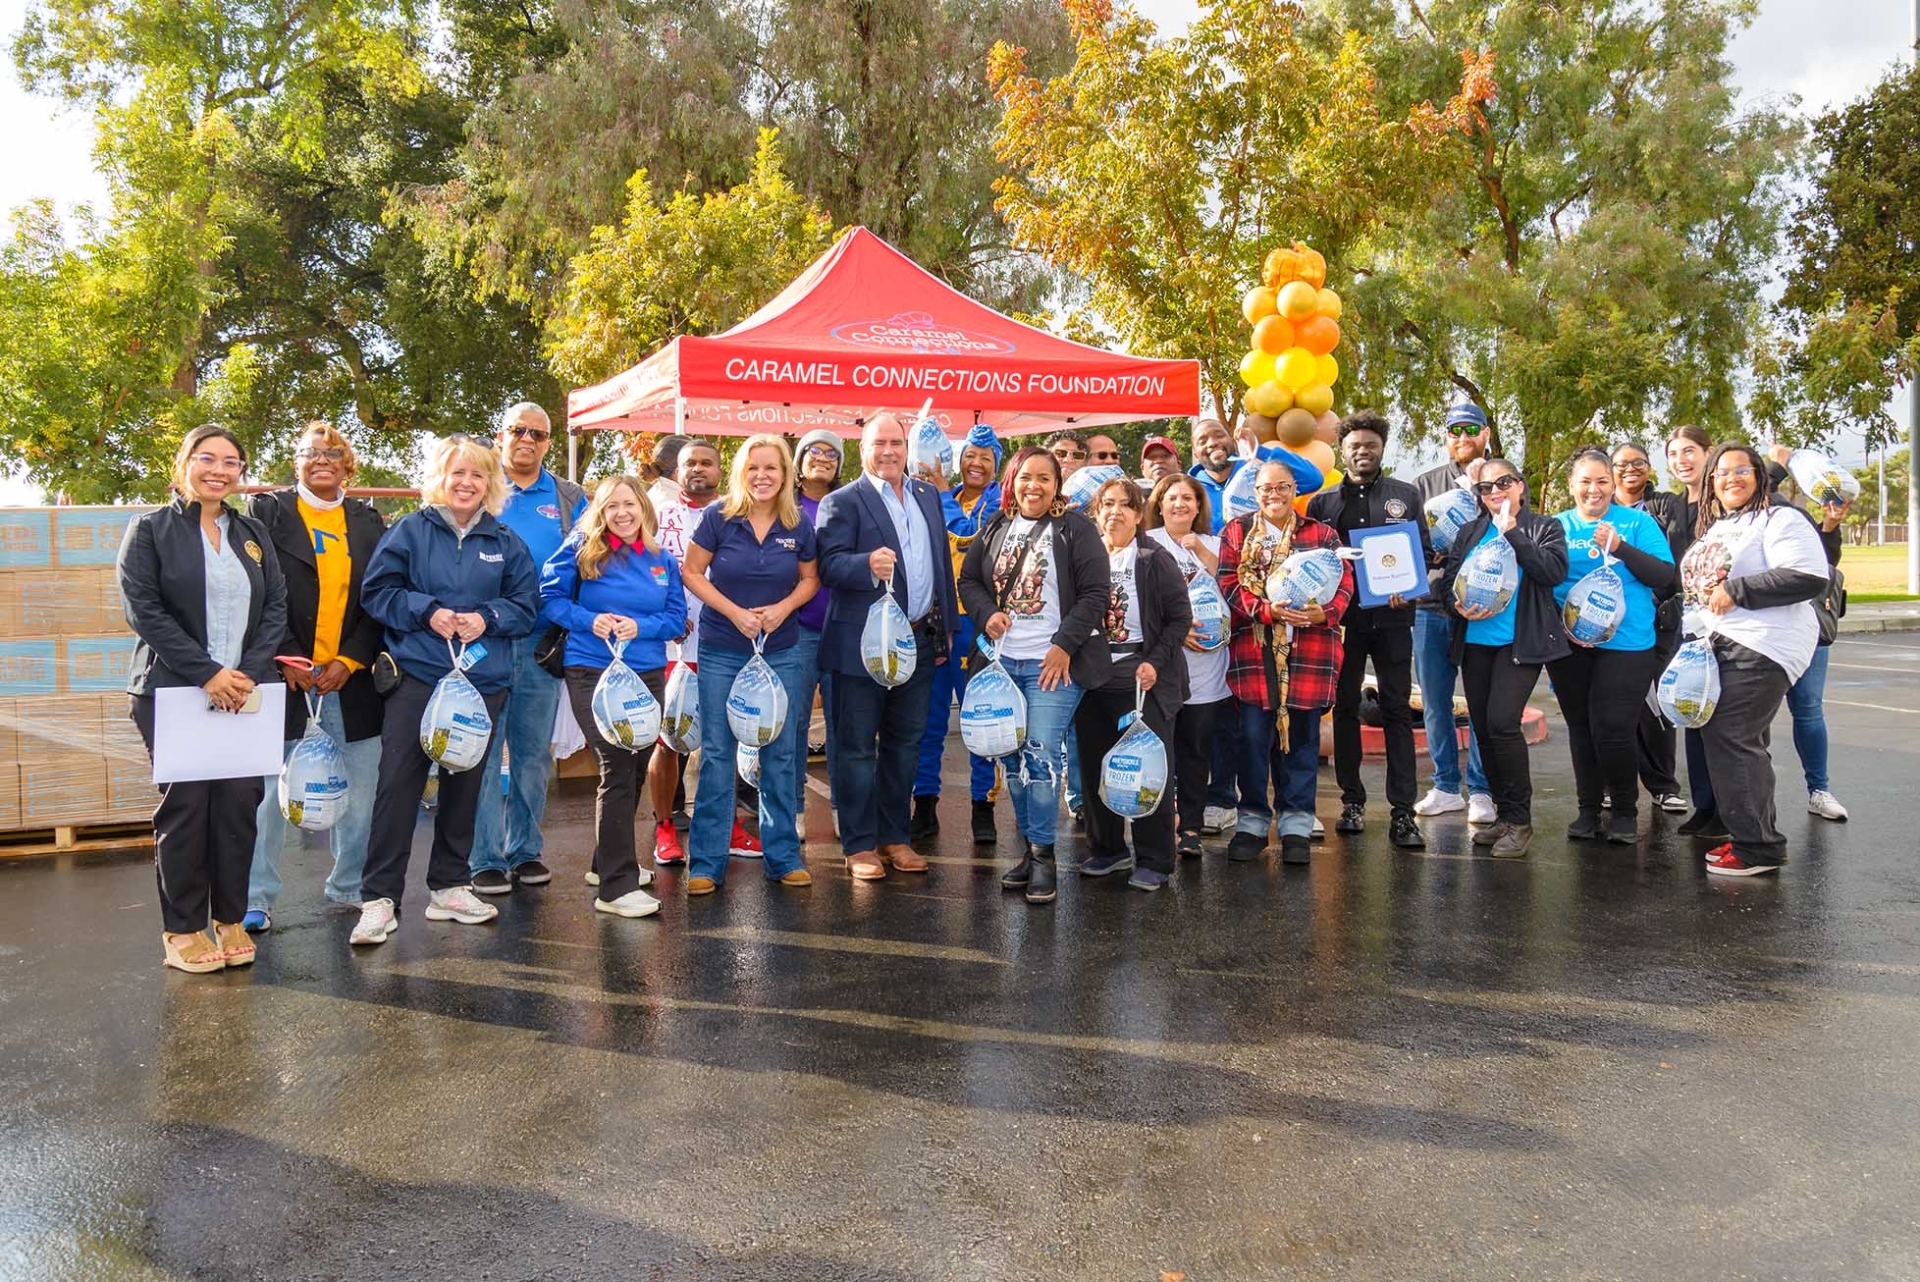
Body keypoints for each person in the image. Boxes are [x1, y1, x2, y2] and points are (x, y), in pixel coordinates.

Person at [351, 435, 540, 946]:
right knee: (398, 787)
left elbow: (526, 605)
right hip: (418, 678)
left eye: (477, 474)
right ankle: (379, 898)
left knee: (465, 787)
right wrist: (426, 611)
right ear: (440, 478)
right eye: (457, 473)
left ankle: (450, 886)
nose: (466, 483)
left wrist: (487, 617)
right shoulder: (410, 531)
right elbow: (378, 592)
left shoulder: (504, 541)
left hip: (482, 684)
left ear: (490, 484)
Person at [119, 425, 288, 974]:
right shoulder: (148, 531)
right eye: (207, 458)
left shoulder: (251, 532)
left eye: (231, 461)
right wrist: (208, 674)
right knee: (187, 810)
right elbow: (144, 612)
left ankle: (231, 918)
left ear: (241, 472)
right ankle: (184, 928)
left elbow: (275, 608)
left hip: (244, 694)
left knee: (240, 806)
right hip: (173, 692)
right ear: (184, 462)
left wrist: (246, 675)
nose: (219, 469)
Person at [242, 422, 387, 933]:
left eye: (332, 453)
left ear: (348, 464)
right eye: (309, 452)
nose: (321, 460)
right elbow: (254, 591)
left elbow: (379, 600)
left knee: (361, 792)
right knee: (266, 797)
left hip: (350, 679)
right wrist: (285, 656)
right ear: (295, 462)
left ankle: (349, 887)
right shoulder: (267, 513)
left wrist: (349, 660)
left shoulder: (369, 522)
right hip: (284, 677)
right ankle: (256, 896)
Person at [957, 446, 1111, 905]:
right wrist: (986, 615)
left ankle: (1044, 857)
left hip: (1052, 666)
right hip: (1002, 665)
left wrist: (1064, 645)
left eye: (1045, 478)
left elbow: (1095, 593)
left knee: (1041, 758)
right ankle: (1029, 850)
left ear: (1057, 485)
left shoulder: (1075, 530)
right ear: (1013, 480)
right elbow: (969, 582)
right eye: (1027, 477)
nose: (1034, 486)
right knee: (1012, 761)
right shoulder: (996, 527)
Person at [816, 414, 961, 880]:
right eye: (879, 443)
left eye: (896, 443)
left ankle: (895, 838)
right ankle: (859, 845)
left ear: (907, 447)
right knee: (856, 746)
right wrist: (865, 564)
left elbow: (941, 564)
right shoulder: (842, 501)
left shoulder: (927, 496)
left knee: (905, 744)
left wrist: (946, 631)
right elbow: (829, 567)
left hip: (918, 640)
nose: (889, 452)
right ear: (863, 449)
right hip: (861, 645)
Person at [539, 475, 687, 917]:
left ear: (644, 507)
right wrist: (592, 620)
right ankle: (616, 888)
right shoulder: (581, 549)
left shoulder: (662, 560)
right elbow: (550, 600)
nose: (622, 513)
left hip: (645, 672)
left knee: (639, 762)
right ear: (599, 512)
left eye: (630, 504)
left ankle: (605, 862)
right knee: (617, 766)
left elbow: (676, 617)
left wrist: (642, 627)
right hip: (592, 669)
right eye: (612, 507)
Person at [1678, 444, 1829, 876]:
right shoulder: (1721, 527)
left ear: (1760, 475)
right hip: (1722, 642)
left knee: (1732, 736)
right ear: (1711, 483)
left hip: (1765, 644)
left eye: (1742, 469)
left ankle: (1757, 849)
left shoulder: (1779, 518)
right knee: (1740, 740)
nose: (1731, 478)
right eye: (1721, 473)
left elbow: (1808, 576)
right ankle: (1753, 836)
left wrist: (1737, 591)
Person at [680, 434, 819, 894]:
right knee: (717, 753)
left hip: (781, 649)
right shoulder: (717, 518)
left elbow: (810, 580)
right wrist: (732, 612)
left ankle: (783, 856)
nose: (762, 476)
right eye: (753, 468)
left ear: (785, 475)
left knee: (778, 751)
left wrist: (782, 609)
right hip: (722, 647)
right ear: (742, 472)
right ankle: (706, 863)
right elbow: (691, 572)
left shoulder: (797, 524)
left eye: (771, 468)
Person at [470, 401, 587, 895]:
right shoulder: (477, 485)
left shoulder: (568, 496)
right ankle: (484, 859)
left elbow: (592, 557)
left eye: (537, 434)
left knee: (533, 755)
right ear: (500, 435)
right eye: (517, 430)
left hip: (542, 645)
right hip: (483, 642)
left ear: (548, 442)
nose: (527, 440)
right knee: (482, 750)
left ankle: (525, 851)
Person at [1217, 461, 1352, 864]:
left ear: (1295, 490)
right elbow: (1228, 583)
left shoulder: (1322, 534)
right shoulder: (1237, 532)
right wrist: (1265, 610)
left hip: (1310, 651)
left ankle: (1296, 823)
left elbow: (1344, 583)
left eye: (1282, 487)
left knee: (1304, 742)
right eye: (1265, 489)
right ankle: (1253, 822)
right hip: (1255, 653)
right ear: (1255, 493)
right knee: (1253, 740)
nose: (1274, 495)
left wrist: (1323, 614)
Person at [1307, 410, 1428, 850]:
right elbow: (1317, 563)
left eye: (1370, 445)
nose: (1363, 451)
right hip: (1343, 624)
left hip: (1393, 621)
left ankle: (1402, 813)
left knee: (1396, 711)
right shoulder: (1324, 503)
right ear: (1343, 450)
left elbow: (1424, 554)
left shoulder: (1405, 496)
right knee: (1344, 711)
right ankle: (1351, 802)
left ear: (1382, 448)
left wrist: (1409, 587)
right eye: (1355, 445)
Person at [1440, 458, 1569, 859]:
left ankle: (1519, 820)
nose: (1495, 491)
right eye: (1485, 487)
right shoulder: (1470, 530)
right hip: (1476, 644)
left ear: (1520, 486)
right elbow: (1448, 582)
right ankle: (1500, 813)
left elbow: (1552, 572)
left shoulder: (1543, 527)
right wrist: (1456, 605)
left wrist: (1512, 533)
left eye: (1504, 482)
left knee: (1502, 723)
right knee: (1483, 728)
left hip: (1521, 644)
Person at [1547, 449, 1677, 845]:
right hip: (1570, 645)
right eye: (1585, 481)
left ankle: (1623, 809)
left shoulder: (1636, 522)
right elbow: (1540, 581)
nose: (1594, 489)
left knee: (1614, 728)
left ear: (1612, 484)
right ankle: (1588, 810)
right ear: (1571, 486)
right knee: (1582, 728)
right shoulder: (1557, 526)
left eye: (1602, 481)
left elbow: (1665, 575)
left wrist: (1620, 547)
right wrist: (1559, 628)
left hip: (1628, 645)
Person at [1077, 477, 1191, 891]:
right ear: (1096, 511)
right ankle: (1107, 850)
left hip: (1144, 681)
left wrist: (1154, 663)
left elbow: (1180, 618)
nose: (1116, 513)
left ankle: (1156, 860)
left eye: (1127, 505)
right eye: (1107, 504)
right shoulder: (1085, 557)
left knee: (1147, 770)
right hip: (1093, 678)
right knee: (1094, 770)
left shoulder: (1153, 557)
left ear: (1141, 514)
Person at [914, 421, 1004, 845]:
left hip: (978, 625)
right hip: (934, 621)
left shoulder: (1000, 503)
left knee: (980, 719)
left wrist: (943, 494)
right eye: (970, 456)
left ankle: (982, 807)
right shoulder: (929, 497)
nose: (977, 464)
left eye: (986, 459)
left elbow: (968, 538)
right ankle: (924, 804)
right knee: (928, 720)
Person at [1411, 402, 1496, 825]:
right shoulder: (1424, 484)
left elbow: (1511, 533)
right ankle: (1446, 785)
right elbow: (1412, 545)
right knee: (1435, 702)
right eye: (1453, 431)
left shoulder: (1502, 478)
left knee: (1480, 703)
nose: (1462, 437)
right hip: (1432, 606)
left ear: (1484, 434)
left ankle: (1481, 789)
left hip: (1483, 609)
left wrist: (1485, 487)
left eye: (1470, 429)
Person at [648, 438, 727, 863]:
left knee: (721, 740)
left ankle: (724, 824)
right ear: (676, 471)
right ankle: (665, 827)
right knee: (669, 740)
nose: (698, 469)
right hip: (669, 648)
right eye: (689, 463)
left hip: (724, 642)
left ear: (720, 470)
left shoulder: (736, 512)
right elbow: (641, 572)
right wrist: (668, 613)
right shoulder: (656, 515)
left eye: (707, 463)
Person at [1144, 475, 1231, 860]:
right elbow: (1139, 606)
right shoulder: (1146, 544)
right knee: (1160, 750)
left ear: (1199, 506)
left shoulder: (1215, 544)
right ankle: (1158, 827)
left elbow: (1233, 588)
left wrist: (1202, 552)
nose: (1179, 504)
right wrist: (1177, 634)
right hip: (1163, 666)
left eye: (1188, 498)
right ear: (1159, 505)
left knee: (1196, 751)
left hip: (1208, 669)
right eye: (1171, 498)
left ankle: (1191, 828)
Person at [1764, 446, 1850, 823]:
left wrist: (1829, 526)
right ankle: (1755, 801)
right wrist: (1779, 463)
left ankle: (1819, 789)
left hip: (1806, 627)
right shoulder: (1740, 520)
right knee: (1752, 720)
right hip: (1761, 632)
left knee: (1808, 709)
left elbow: (1824, 563)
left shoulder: (1792, 515)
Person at [1608, 442, 1689, 813]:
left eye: (1638, 463)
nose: (1630, 470)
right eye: (1622, 464)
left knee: (1656, 704)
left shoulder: (1666, 507)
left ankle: (1662, 784)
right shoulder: (1598, 510)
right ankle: (1614, 786)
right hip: (1606, 623)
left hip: (1657, 620)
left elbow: (1670, 560)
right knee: (1613, 706)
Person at [1663, 425, 1725, 838]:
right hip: (1687, 627)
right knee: (1694, 715)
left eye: (1690, 451)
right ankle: (1705, 806)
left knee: (1725, 723)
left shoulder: (1726, 503)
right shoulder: (1672, 507)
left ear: (1709, 452)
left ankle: (1729, 810)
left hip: (1725, 626)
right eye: (1673, 454)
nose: (1682, 460)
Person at [793, 428, 843, 830]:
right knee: (791, 725)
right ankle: (792, 810)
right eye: (815, 450)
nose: (823, 457)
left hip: (843, 629)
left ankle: (845, 812)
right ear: (799, 458)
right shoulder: (783, 506)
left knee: (845, 725)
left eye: (832, 453)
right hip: (796, 631)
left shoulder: (849, 504)